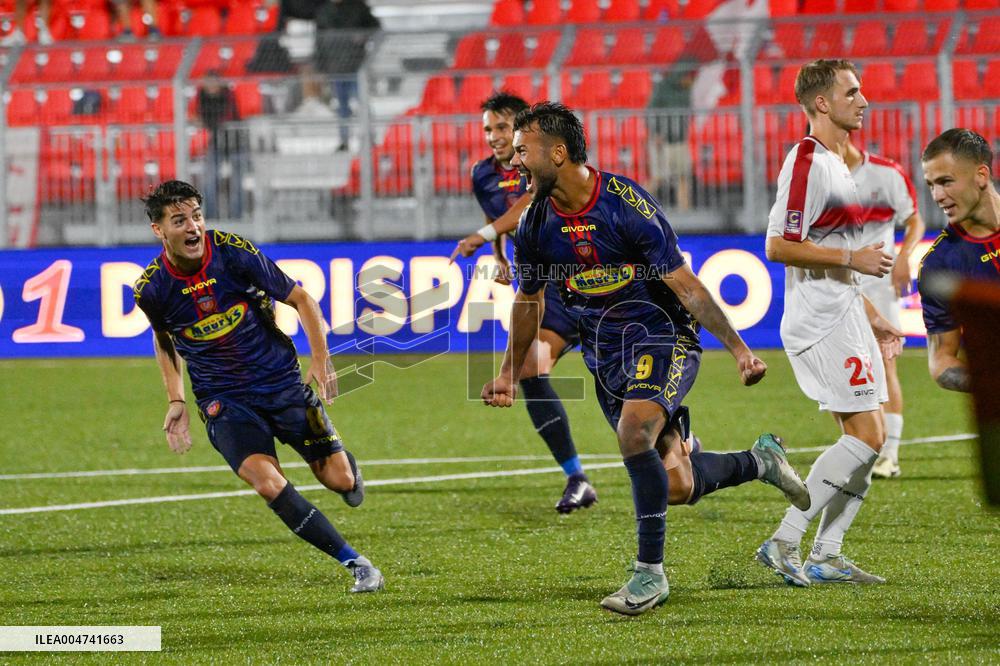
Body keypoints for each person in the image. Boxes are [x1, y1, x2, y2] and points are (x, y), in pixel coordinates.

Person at [482, 102, 809, 616]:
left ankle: (649, 577)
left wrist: (740, 350)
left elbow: (686, 286)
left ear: (559, 152)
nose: (514, 160)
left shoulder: (624, 204)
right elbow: (529, 302)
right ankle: (760, 461)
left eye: (524, 150)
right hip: (604, 353)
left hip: (663, 336)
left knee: (634, 432)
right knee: (676, 486)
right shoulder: (535, 224)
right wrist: (506, 370)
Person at [133, 180, 384, 593]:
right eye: (179, 220)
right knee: (268, 483)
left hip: (281, 383)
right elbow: (165, 339)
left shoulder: (233, 252)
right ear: (159, 230)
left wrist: (321, 359)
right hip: (223, 400)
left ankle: (349, 470)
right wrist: (176, 397)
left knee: (339, 481)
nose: (193, 226)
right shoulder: (153, 289)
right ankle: (357, 564)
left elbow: (301, 299)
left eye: (196, 216)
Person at [756, 59, 904, 588]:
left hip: (845, 313)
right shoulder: (806, 162)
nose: (863, 100)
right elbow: (777, 246)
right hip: (818, 321)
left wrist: (874, 316)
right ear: (822, 103)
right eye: (852, 91)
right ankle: (785, 540)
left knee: (872, 434)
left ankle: (827, 553)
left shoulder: (840, 166)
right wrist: (852, 263)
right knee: (865, 437)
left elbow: (841, 252)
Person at [452, 92, 598, 514]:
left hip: (589, 279)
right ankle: (577, 477)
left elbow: (529, 203)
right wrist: (498, 256)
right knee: (532, 367)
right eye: (488, 129)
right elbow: (504, 222)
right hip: (545, 287)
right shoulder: (482, 175)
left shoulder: (540, 164)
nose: (494, 137)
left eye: (502, 128)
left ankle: (677, 437)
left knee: (621, 380)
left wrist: (482, 235)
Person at [844, 137, 926, 479]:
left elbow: (915, 220)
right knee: (846, 367)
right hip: (837, 282)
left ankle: (889, 454)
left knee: (885, 361)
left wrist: (905, 256)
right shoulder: (816, 178)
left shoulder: (886, 173)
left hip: (877, 282)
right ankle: (860, 445)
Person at [918, 128, 1000, 393]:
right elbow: (941, 360)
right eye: (931, 185)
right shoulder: (939, 265)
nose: (937, 196)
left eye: (946, 182)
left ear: (981, 175)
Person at [196, 72, 245, 220]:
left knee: (237, 180)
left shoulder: (228, 96)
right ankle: (211, 215)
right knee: (210, 179)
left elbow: (225, 118)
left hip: (236, 142)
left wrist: (208, 122)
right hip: (217, 143)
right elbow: (204, 117)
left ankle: (237, 215)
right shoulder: (203, 98)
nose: (210, 86)